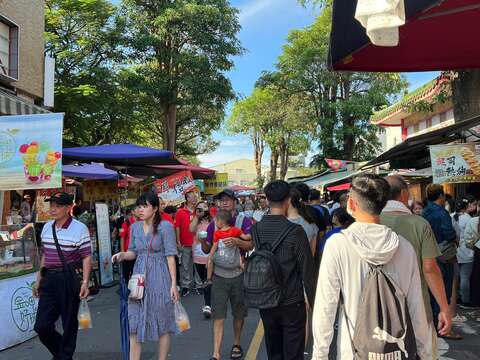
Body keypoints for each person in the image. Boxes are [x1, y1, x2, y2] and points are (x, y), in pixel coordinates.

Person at [312, 174, 429, 359]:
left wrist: (320, 355)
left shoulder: (338, 245)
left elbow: (326, 306)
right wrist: (425, 353)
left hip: (353, 351)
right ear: (382, 205)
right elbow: (416, 307)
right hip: (397, 353)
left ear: (351, 204)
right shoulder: (405, 247)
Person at [381, 175, 451, 356]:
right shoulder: (419, 224)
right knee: (423, 352)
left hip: (379, 307)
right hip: (417, 305)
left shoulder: (370, 223)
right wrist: (444, 308)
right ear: (404, 194)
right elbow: (430, 269)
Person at [112, 192, 179, 360]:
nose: (140, 210)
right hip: (139, 277)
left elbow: (170, 256)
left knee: (162, 322)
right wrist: (122, 255)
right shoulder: (134, 227)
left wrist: (173, 284)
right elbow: (133, 252)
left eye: (145, 206)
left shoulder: (166, 227)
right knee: (134, 322)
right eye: (139, 207)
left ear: (155, 208)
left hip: (160, 276)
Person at [254, 180, 315, 360]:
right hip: (292, 301)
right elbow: (307, 272)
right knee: (293, 353)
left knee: (274, 352)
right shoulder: (295, 231)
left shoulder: (256, 228)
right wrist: (315, 304)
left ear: (266, 199)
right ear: (288, 199)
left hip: (266, 300)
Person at [33, 192, 92, 360]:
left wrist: (85, 282)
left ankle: (63, 357)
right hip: (49, 279)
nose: (53, 209)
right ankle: (63, 356)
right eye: (51, 205)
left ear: (68, 208)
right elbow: (45, 255)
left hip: (68, 279)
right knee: (42, 326)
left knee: (69, 325)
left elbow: (86, 256)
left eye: (57, 206)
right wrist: (39, 279)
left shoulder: (79, 228)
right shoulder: (46, 227)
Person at [204, 189, 253, 360]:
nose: (224, 202)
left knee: (239, 312)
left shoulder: (243, 221)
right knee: (218, 314)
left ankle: (237, 343)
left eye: (227, 199)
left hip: (238, 274)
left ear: (235, 202)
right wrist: (203, 240)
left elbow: (250, 244)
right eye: (221, 200)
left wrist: (237, 241)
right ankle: (216, 353)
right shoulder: (214, 223)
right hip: (219, 275)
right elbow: (207, 248)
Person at [422, 184, 462, 340]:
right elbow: (448, 232)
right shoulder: (442, 213)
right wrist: (454, 239)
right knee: (444, 291)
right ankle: (444, 327)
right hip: (444, 255)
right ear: (441, 196)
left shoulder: (425, 212)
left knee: (432, 291)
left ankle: (434, 325)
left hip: (428, 254)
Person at [207, 210, 249, 284]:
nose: (215, 223)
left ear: (220, 222)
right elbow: (246, 237)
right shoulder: (235, 230)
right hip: (234, 255)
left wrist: (209, 257)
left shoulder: (217, 233)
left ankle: (209, 279)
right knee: (241, 263)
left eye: (216, 221)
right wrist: (251, 234)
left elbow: (214, 247)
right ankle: (249, 277)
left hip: (222, 256)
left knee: (211, 261)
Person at [190, 201, 213, 318]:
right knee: (204, 281)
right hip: (198, 256)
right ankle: (210, 300)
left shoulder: (212, 222)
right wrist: (196, 216)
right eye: (199, 208)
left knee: (207, 280)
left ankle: (208, 305)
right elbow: (191, 229)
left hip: (209, 256)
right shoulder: (196, 221)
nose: (201, 209)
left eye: (204, 207)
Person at [175, 191, 198, 297]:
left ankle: (199, 285)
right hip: (185, 242)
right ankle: (185, 286)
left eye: (195, 197)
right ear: (187, 199)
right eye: (193, 197)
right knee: (185, 265)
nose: (195, 198)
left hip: (198, 243)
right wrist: (178, 241)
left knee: (198, 265)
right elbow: (177, 227)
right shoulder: (180, 212)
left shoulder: (199, 211)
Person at [288, 186, 320, 256]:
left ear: (288, 201)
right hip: (306, 265)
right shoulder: (311, 223)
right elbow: (312, 253)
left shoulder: (282, 223)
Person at [119, 208, 137, 282]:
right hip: (128, 251)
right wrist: (123, 252)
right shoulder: (125, 223)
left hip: (138, 252)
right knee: (127, 271)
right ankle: (127, 285)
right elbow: (122, 237)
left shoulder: (141, 221)